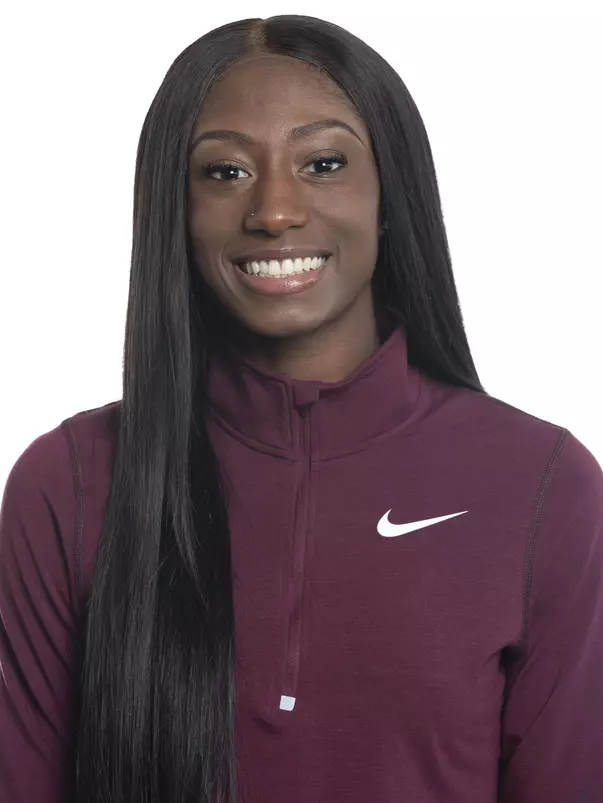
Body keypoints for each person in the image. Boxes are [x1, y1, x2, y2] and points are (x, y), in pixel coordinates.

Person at [0, 14, 601, 803]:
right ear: (170, 211)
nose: (275, 210)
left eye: (322, 163)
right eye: (223, 173)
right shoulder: (68, 483)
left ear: (390, 194)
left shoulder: (539, 487)